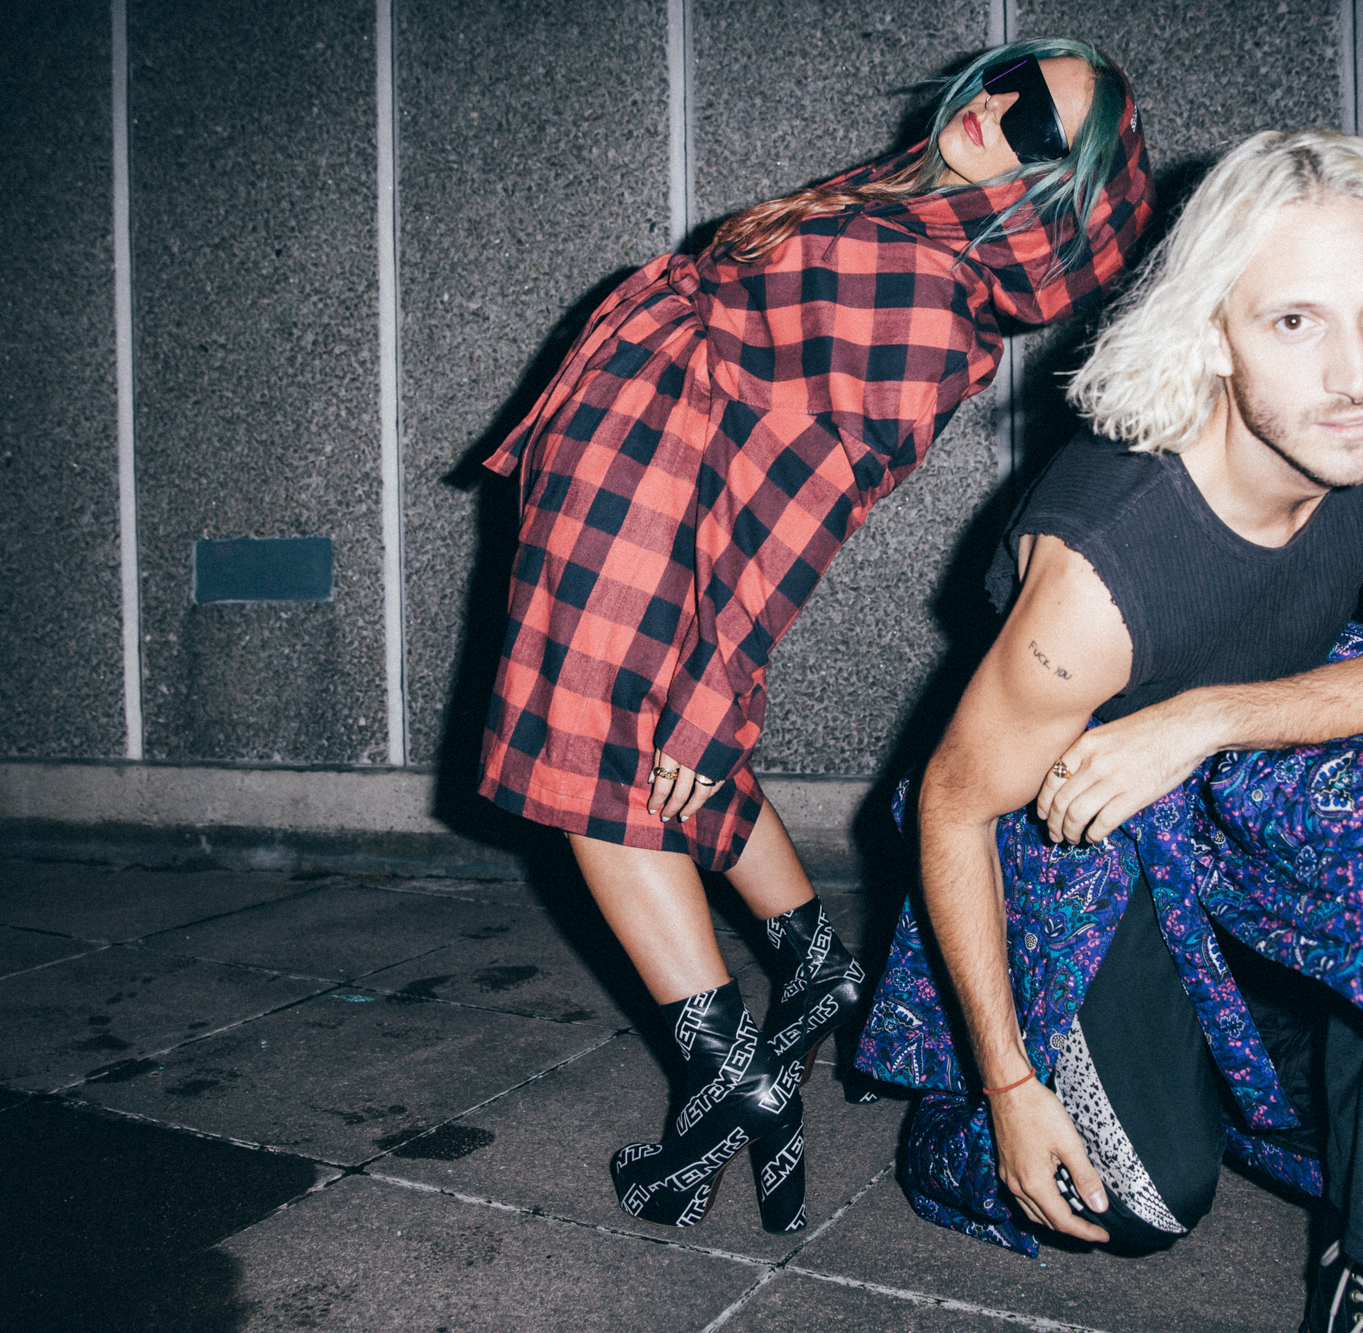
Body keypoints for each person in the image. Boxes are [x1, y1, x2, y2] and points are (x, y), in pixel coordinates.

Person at [856, 130, 1363, 1328]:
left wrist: (1201, 720)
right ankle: (1051, 1092)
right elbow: (951, 804)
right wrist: (1008, 1085)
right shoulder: (1101, 574)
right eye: (1295, 321)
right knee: (1136, 1198)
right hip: (1084, 797)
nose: (1359, 372)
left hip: (1239, 732)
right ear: (1212, 336)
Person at [477, 41, 1155, 1235]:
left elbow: (804, 504)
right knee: (652, 758)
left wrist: (718, 688)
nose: (996, 109)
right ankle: (813, 965)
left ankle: (730, 1079)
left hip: (650, 504)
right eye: (1007, 81)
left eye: (1037, 125)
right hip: (641, 482)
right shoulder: (909, 217)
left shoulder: (922, 289)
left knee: (593, 777)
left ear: (1058, 191)